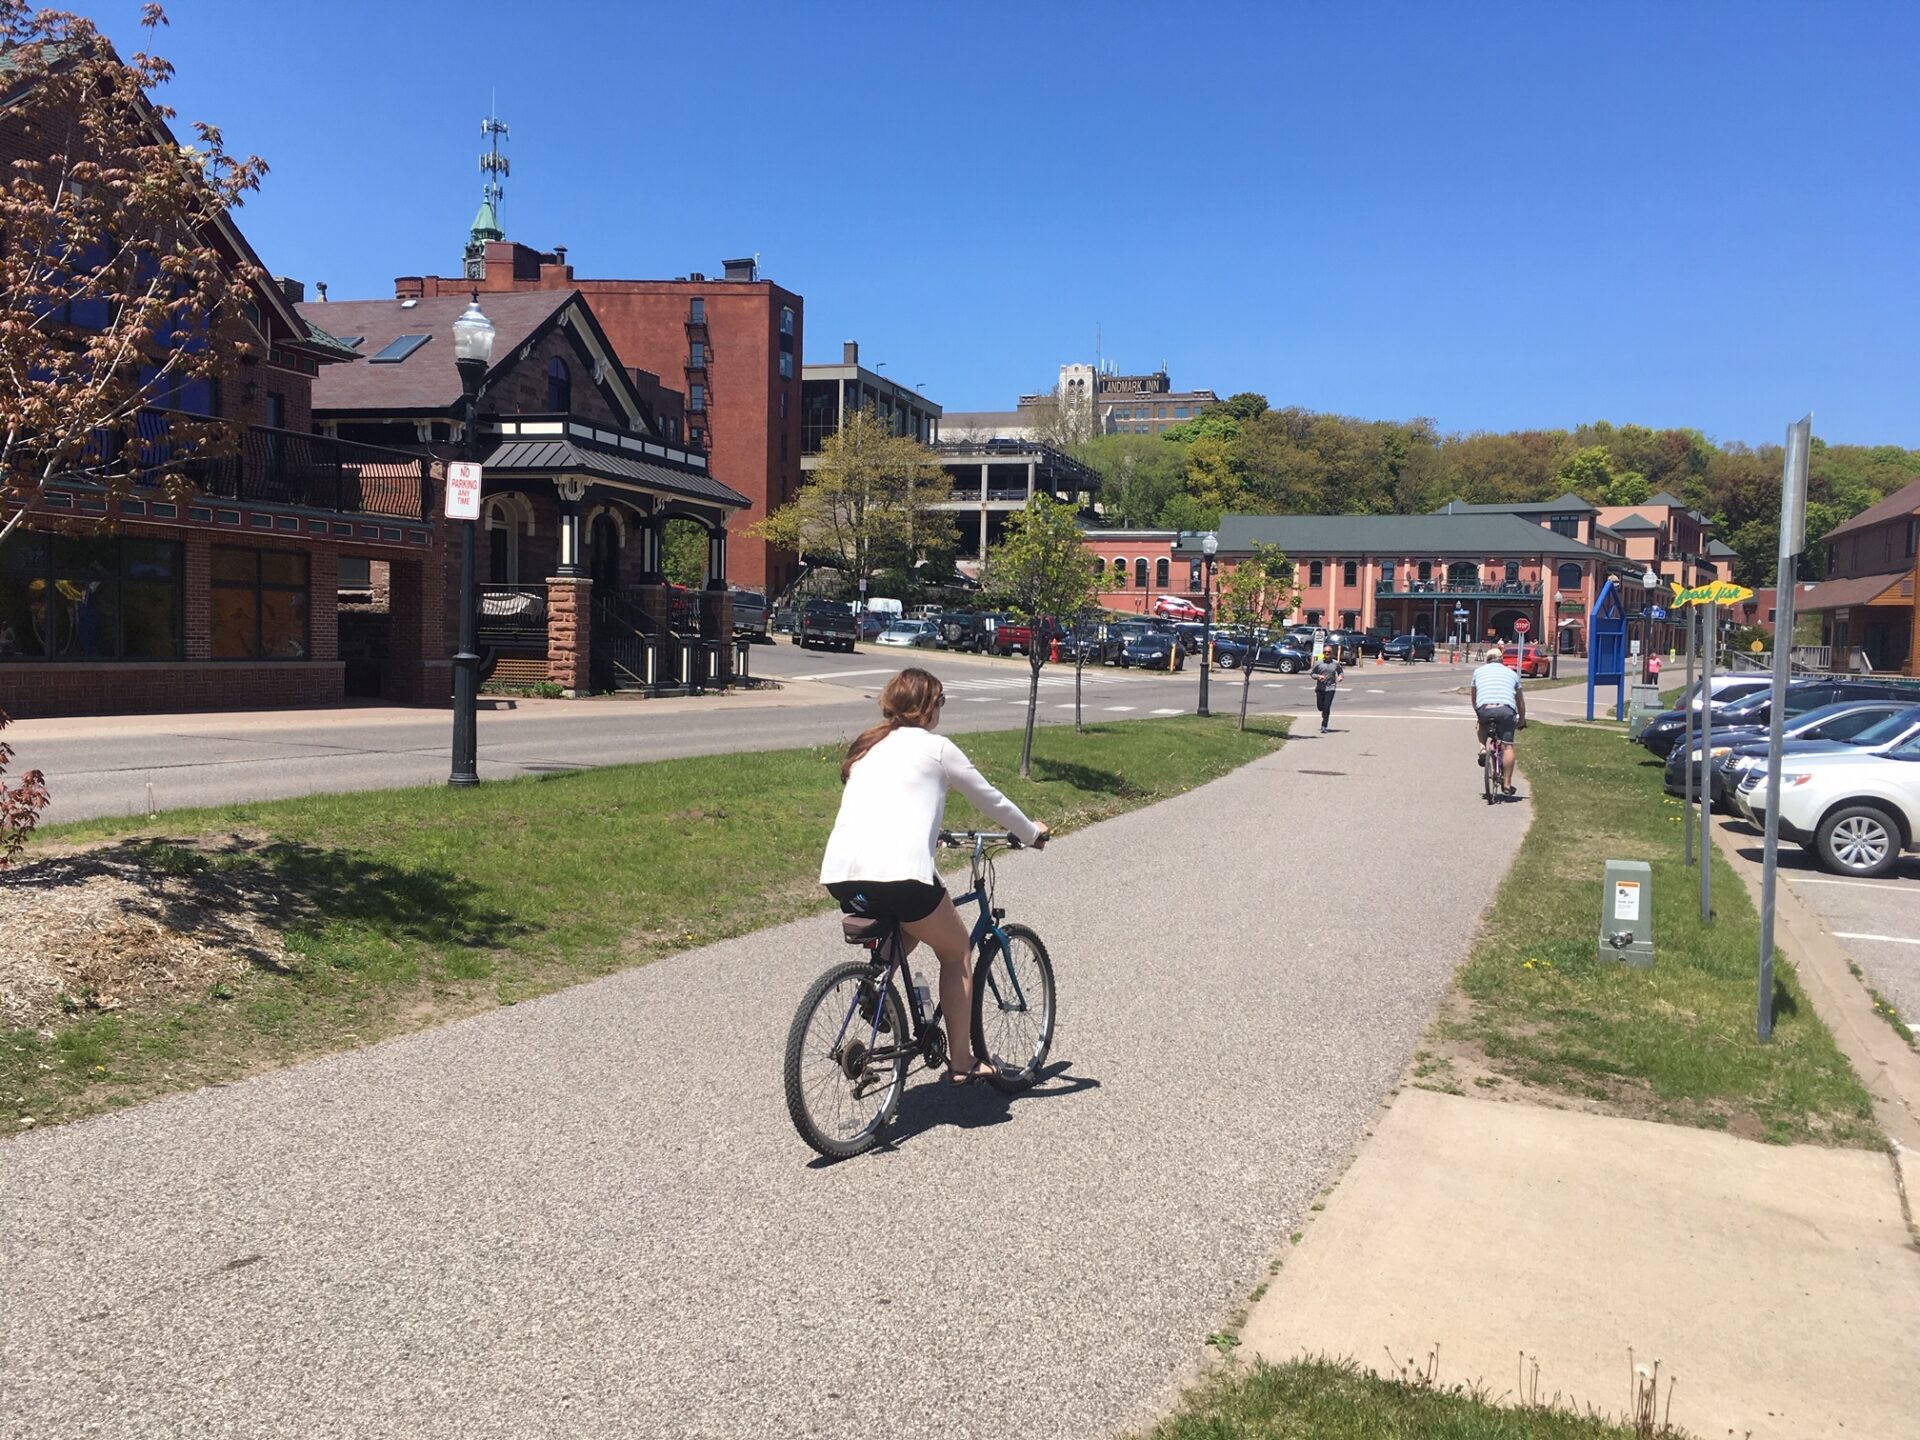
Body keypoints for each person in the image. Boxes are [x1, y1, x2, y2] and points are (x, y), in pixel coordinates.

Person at [820, 667, 1049, 1084]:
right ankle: (962, 1062)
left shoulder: (868, 747)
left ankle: (875, 990)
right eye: (940, 702)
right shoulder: (937, 748)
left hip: (842, 873)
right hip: (900, 877)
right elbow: (991, 799)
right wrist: (1030, 833)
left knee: (913, 924)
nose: (941, 710)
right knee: (956, 948)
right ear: (926, 707)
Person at [1471, 645, 1526, 795]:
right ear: (1502, 660)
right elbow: (1520, 701)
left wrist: (1478, 712)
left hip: (1485, 708)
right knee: (1508, 747)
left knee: (1480, 723)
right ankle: (1507, 784)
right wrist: (1522, 719)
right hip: (1506, 710)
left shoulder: (1478, 672)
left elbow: (1474, 696)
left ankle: (1482, 748)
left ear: (1487, 661)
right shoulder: (1512, 673)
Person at [1311, 645, 1343, 733]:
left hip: (1331, 688)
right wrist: (1318, 676)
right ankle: (1324, 712)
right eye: (1325, 652)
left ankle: (1324, 725)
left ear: (1331, 653)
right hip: (1320, 688)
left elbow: (1341, 672)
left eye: (1329, 652)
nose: (1327, 654)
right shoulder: (1318, 663)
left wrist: (1340, 677)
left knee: (1327, 707)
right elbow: (1312, 674)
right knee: (1320, 707)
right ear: (1323, 653)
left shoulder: (1335, 663)